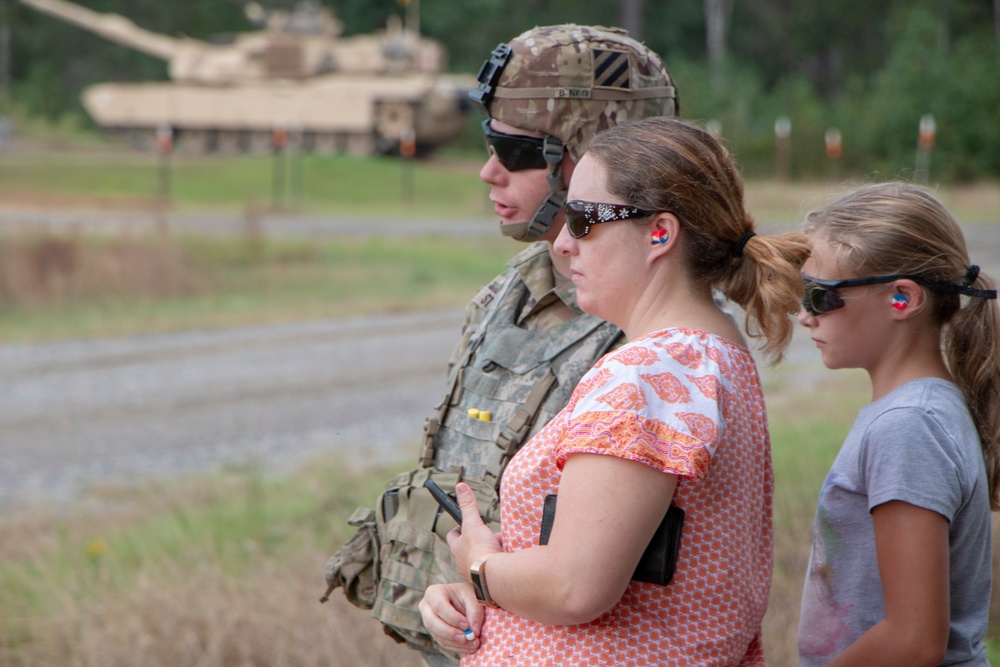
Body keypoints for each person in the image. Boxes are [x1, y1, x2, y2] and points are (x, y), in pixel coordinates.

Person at [322, 24, 680, 667]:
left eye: (512, 151)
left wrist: (485, 576)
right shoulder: (509, 292)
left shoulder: (653, 337)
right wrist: (448, 593)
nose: (487, 171)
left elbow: (598, 580)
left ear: (595, 158)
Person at [418, 116, 811, 666]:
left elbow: (575, 587)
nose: (560, 244)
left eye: (580, 220)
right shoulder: (708, 356)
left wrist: (480, 568)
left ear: (659, 233)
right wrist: (487, 596)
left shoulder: (648, 372)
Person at [795, 182, 999, 666]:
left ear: (902, 299)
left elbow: (913, 641)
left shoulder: (910, 425)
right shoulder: (919, 413)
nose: (804, 316)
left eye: (819, 296)